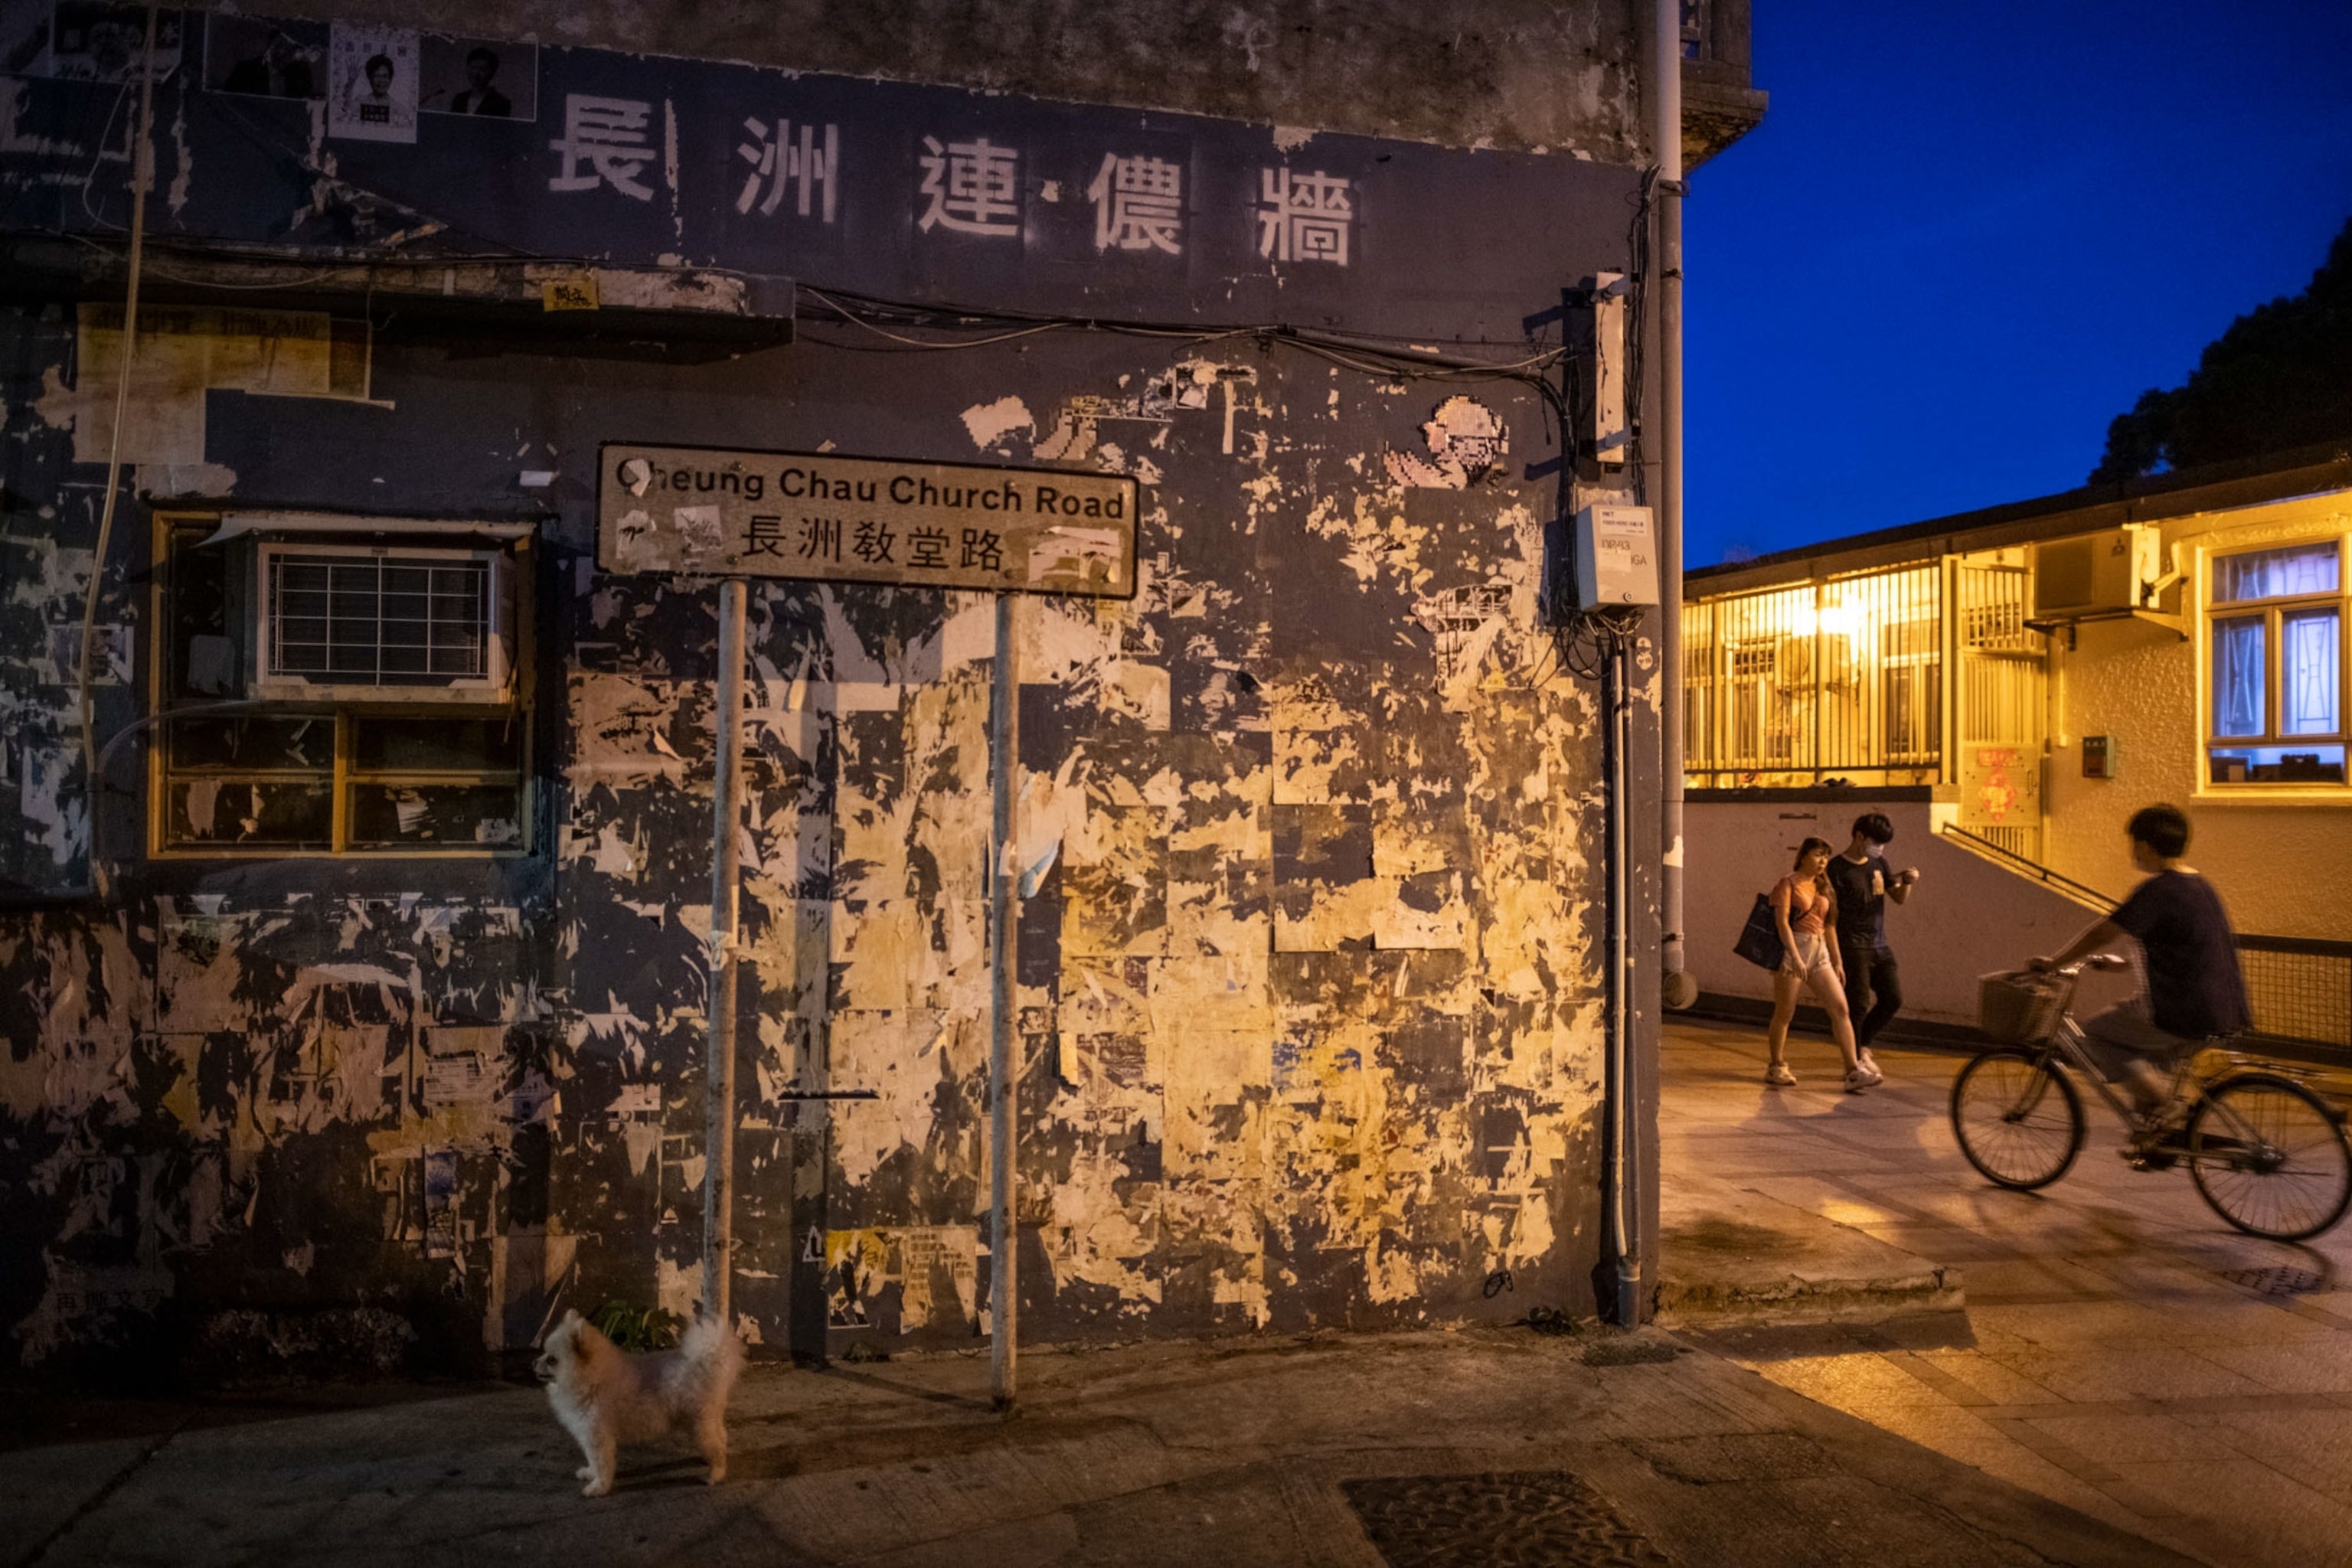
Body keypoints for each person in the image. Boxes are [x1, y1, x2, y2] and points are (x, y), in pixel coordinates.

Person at [2031, 803, 2248, 1147]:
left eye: (2133, 843)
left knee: (2098, 1033)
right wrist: (2124, 965)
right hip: (2225, 1006)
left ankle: (2168, 1108)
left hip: (2182, 1011)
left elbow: (2102, 933)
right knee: (2142, 1057)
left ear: (2145, 846)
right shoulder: (2200, 886)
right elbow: (2185, 947)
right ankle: (2156, 1140)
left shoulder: (2158, 890)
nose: (2132, 851)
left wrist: (2055, 963)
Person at [1765, 836, 1881, 1093]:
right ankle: (1777, 1065)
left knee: (1841, 1008)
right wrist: (1794, 956)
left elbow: (1830, 926)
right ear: (1804, 855)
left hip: (1819, 952)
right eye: (1818, 854)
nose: (1823, 861)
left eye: (1826, 856)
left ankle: (1853, 1069)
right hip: (1794, 947)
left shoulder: (1823, 886)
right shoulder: (1788, 883)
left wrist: (1837, 960)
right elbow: (1782, 923)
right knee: (1785, 1012)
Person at [1827, 812, 1919, 1055]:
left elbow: (1898, 897)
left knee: (1892, 998)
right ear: (1860, 836)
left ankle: (1863, 1043)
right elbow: (1830, 916)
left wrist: (1907, 882)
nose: (1880, 848)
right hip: (1853, 946)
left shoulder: (1880, 864)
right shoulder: (1836, 869)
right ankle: (1854, 1059)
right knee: (1857, 1005)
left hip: (1880, 945)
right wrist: (1835, 955)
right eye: (1876, 842)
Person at [450, 47, 511, 115]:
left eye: (482, 69)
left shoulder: (500, 103)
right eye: (473, 68)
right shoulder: (459, 99)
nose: (476, 73)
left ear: (492, 73)